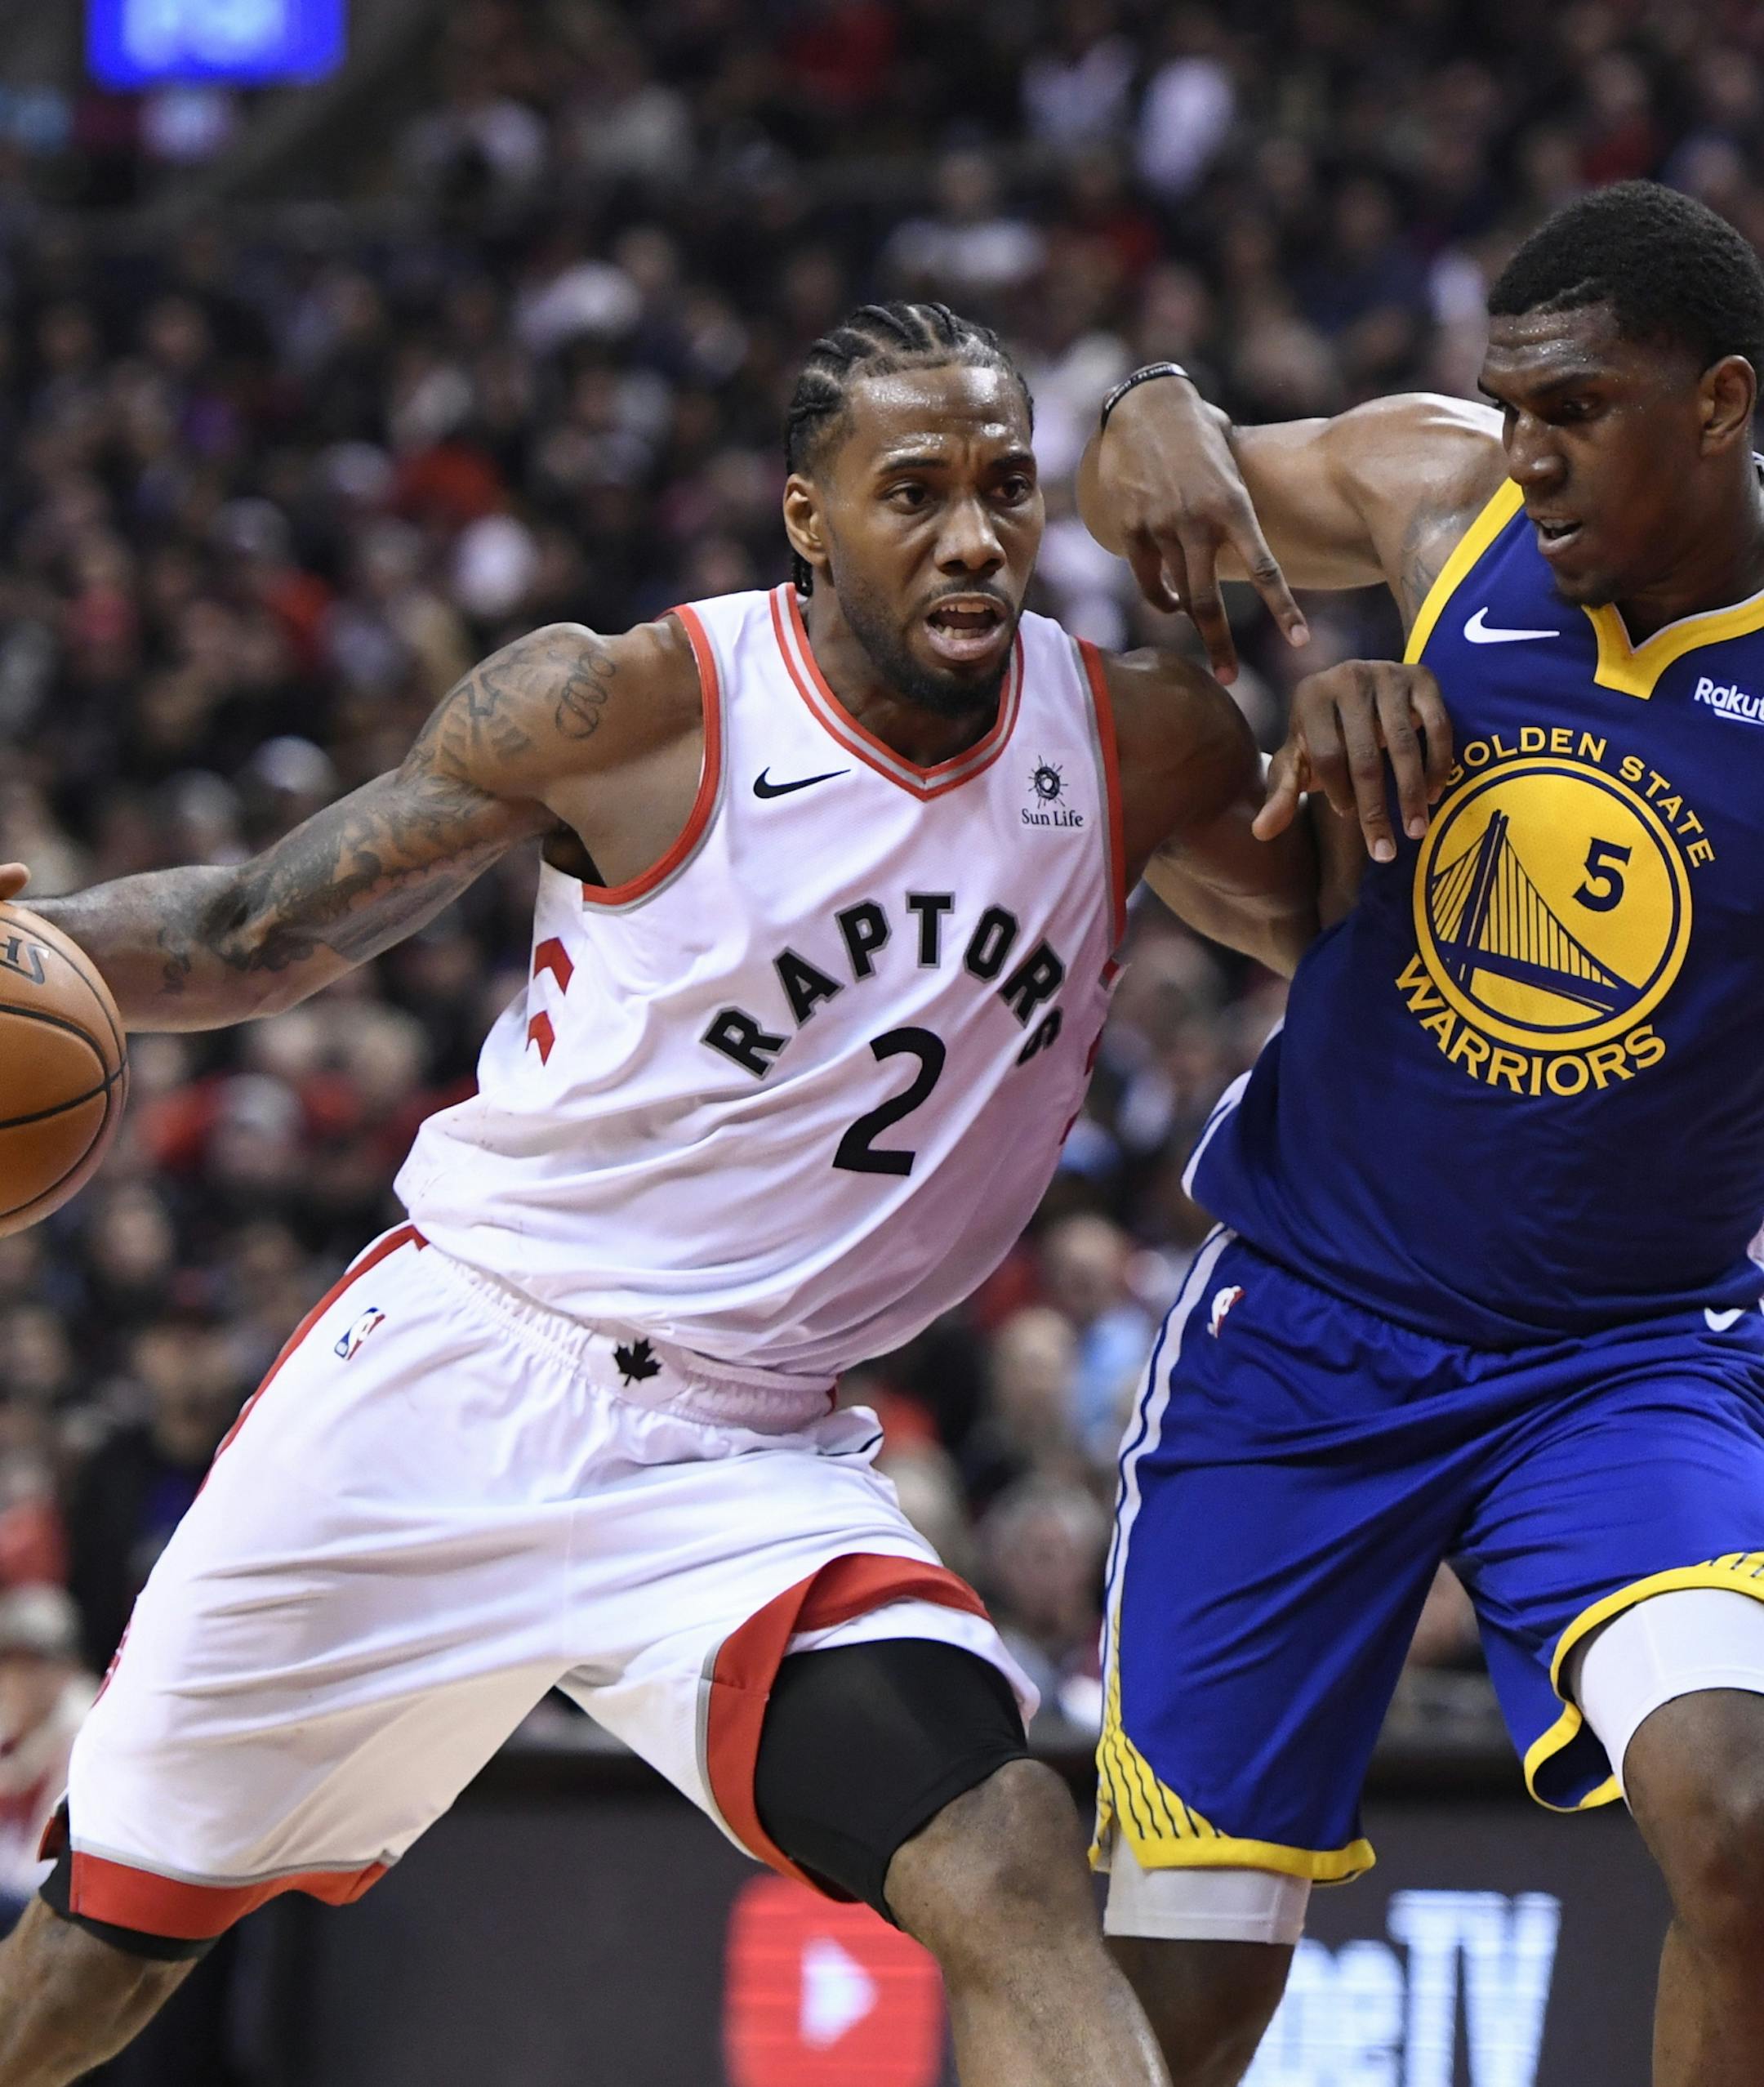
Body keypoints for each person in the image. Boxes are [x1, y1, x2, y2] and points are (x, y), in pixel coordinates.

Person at [0, 299, 1344, 2087]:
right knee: (87, 1971)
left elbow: (1358, 939)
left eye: (1007, 488)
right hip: (448, 1379)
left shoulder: (1135, 741)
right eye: (915, 491)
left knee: (1011, 1860)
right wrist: (37, 943)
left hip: (742, 1461)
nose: (972, 535)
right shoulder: (633, 704)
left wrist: (1372, 703)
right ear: (809, 518)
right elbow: (254, 929)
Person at [1078, 181, 1764, 2087]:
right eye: (1514, 402)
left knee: (1744, 1822)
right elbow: (1146, 482)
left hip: (1621, 1363)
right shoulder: (1441, 497)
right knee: (1182, 2004)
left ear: (1721, 403)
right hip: (1305, 1336)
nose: (1530, 453)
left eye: (1581, 411)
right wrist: (1146, 403)